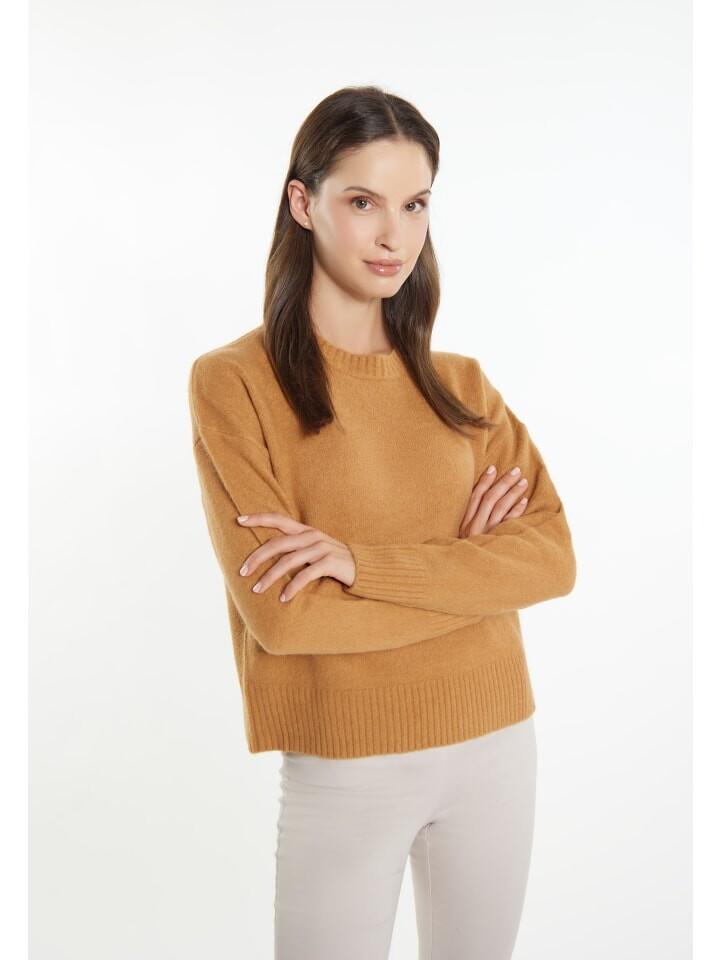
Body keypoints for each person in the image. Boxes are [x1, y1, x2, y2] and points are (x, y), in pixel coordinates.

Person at [188, 84, 576, 960]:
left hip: (496, 743)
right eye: (364, 202)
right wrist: (472, 574)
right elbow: (287, 617)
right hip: (346, 764)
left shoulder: (461, 386)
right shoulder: (235, 383)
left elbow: (552, 560)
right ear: (303, 203)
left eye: (415, 204)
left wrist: (359, 566)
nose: (395, 235)